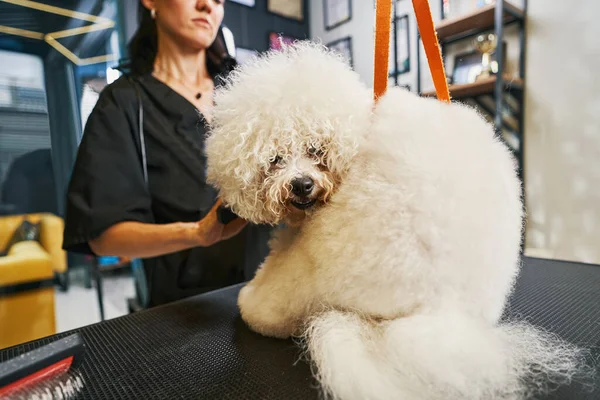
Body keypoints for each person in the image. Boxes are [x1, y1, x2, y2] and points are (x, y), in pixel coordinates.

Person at [63, 0, 270, 307]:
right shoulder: (124, 103)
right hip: (191, 309)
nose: (207, 6)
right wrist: (197, 233)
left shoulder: (250, 88)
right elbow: (104, 236)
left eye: (218, 0)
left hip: (275, 284)